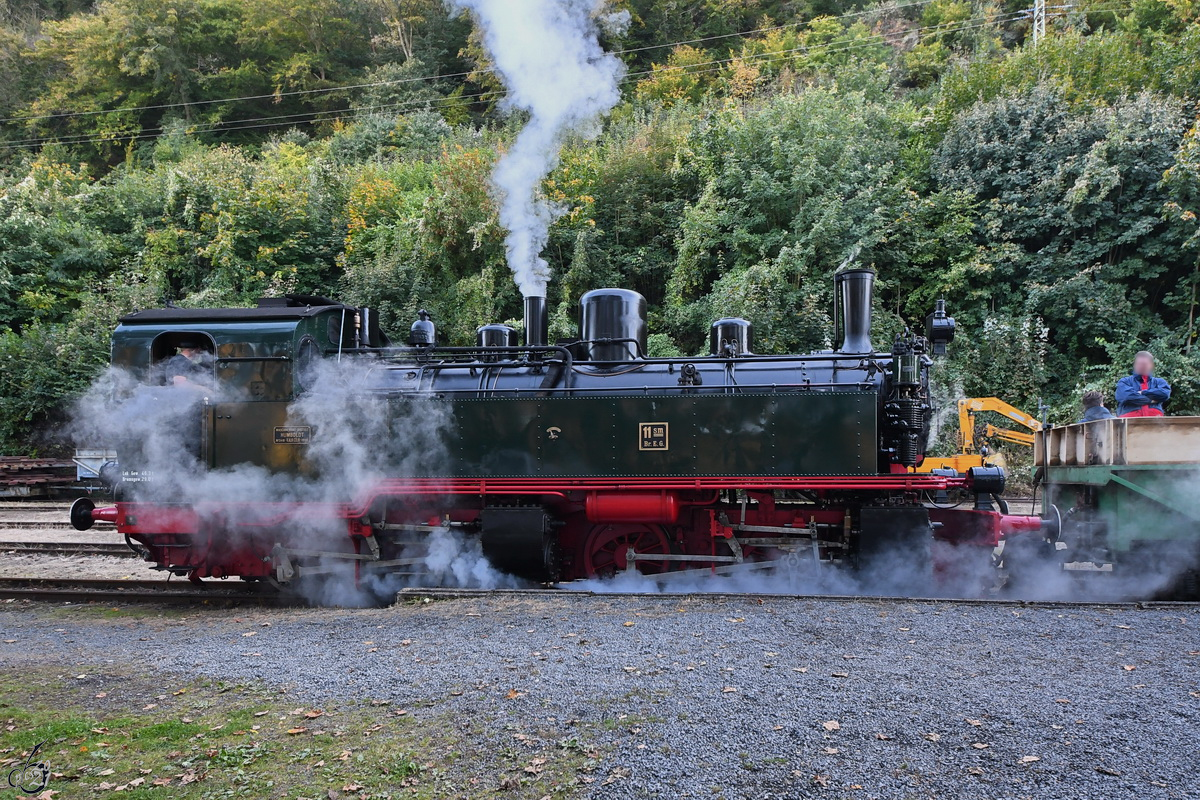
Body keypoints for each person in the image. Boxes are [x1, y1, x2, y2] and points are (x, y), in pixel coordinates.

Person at [1115, 351, 1171, 417]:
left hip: (1155, 420)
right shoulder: (1124, 382)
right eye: (1139, 364)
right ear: (1134, 365)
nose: (1141, 366)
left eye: (1144, 364)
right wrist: (1150, 400)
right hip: (1130, 421)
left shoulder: (1159, 382)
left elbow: (1164, 394)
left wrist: (1142, 392)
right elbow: (1127, 397)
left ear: (1151, 365)